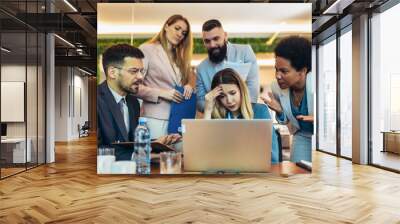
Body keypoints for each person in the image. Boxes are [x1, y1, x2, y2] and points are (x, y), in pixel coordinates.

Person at [97, 44, 180, 161]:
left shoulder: (133, 102)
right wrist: (140, 157)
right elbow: (98, 150)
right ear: (112, 72)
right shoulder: (95, 102)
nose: (141, 77)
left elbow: (130, 143)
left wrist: (155, 143)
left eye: (141, 71)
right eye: (134, 71)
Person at [136, 14, 195, 140]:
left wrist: (188, 86)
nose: (180, 34)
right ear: (166, 27)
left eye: (184, 33)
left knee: (176, 156)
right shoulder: (147, 49)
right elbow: (134, 86)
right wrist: (162, 93)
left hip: (177, 117)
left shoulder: (179, 58)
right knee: (155, 156)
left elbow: (179, 83)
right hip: (155, 118)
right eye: (177, 28)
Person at [204, 68, 279, 164]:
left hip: (254, 174)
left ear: (241, 90)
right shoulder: (217, 117)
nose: (229, 101)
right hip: (225, 174)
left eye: (232, 93)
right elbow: (205, 154)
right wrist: (207, 110)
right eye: (222, 96)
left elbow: (273, 157)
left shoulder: (260, 111)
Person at [261, 36, 313, 163]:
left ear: (302, 71)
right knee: (298, 174)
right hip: (301, 135)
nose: (278, 76)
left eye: (284, 71)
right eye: (276, 69)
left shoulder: (317, 84)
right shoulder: (277, 87)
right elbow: (286, 121)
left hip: (323, 138)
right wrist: (279, 112)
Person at [196, 19, 260, 112]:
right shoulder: (201, 69)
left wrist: (241, 114)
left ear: (225, 36)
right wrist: (220, 111)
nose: (212, 45)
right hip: (218, 121)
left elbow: (252, 90)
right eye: (207, 41)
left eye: (216, 39)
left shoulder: (245, 52)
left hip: (247, 115)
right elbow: (200, 103)